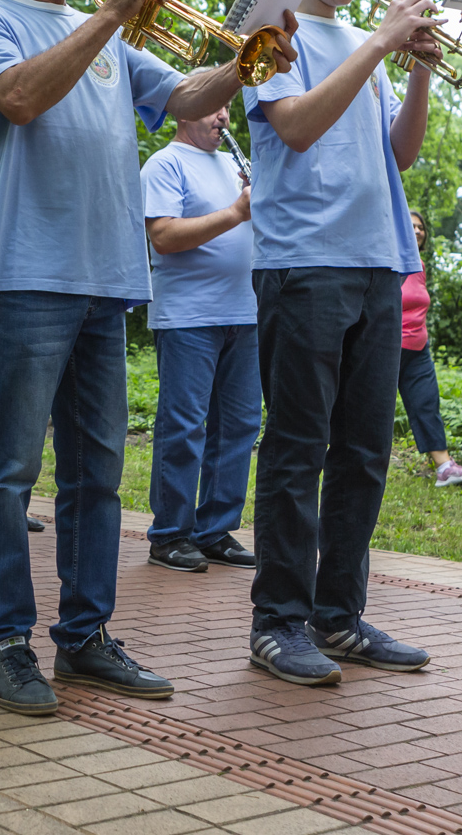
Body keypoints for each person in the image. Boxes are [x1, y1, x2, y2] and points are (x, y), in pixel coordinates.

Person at [0, 0, 285, 714]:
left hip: (107, 281)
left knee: (98, 474)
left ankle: (85, 638)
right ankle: (4, 644)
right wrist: (107, 14)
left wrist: (248, 59)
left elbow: (183, 99)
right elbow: (19, 100)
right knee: (9, 473)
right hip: (26, 276)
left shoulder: (107, 39)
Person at [237, 0, 445, 686]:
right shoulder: (272, 32)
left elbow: (402, 153)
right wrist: (383, 41)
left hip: (376, 261)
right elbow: (294, 125)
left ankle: (339, 616)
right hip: (303, 261)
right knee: (297, 449)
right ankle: (278, 620)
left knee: (364, 451)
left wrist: (416, 73)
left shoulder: (365, 41)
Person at [140, 99, 261, 575]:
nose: (224, 117)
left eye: (227, 107)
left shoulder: (234, 163)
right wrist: (237, 212)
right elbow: (165, 236)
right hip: (188, 317)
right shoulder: (165, 163)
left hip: (245, 312)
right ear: (183, 111)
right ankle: (169, 534)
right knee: (185, 426)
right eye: (213, 107)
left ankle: (215, 528)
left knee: (240, 425)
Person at [401, 213, 462, 487]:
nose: (417, 231)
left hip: (417, 348)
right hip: (386, 346)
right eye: (410, 225)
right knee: (370, 411)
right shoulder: (388, 261)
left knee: (426, 404)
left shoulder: (419, 265)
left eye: (420, 227)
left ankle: (445, 468)